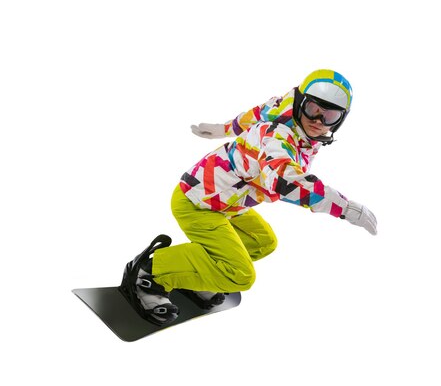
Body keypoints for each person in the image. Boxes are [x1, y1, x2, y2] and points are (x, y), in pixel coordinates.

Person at [120, 69, 377, 325]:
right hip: (199, 202)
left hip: (227, 202)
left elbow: (254, 114)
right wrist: (345, 208)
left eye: (330, 115)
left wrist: (222, 129)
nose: (319, 120)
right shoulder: (278, 137)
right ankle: (149, 275)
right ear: (300, 103)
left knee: (263, 241)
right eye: (313, 109)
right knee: (241, 275)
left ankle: (196, 277)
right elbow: (287, 181)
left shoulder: (288, 113)